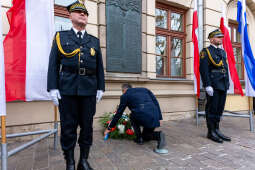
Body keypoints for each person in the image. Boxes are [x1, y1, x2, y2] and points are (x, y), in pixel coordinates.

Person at [47, 1, 105, 170]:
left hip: (89, 89)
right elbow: (53, 64)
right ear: (70, 16)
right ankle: (70, 162)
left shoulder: (93, 41)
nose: (83, 15)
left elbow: (99, 66)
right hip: (67, 89)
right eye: (79, 12)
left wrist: (100, 87)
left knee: (87, 127)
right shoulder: (61, 37)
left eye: (85, 13)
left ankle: (84, 161)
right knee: (68, 128)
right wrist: (53, 87)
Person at [104, 83, 166, 150]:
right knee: (146, 136)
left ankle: (142, 138)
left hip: (143, 116)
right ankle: (147, 137)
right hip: (154, 115)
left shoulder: (125, 95)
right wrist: (159, 117)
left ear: (123, 90)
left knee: (132, 116)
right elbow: (156, 102)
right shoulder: (145, 90)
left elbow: (119, 113)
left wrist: (109, 128)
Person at [199, 29, 231, 143]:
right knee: (212, 109)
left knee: (219, 109)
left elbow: (225, 69)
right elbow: (203, 70)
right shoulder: (206, 51)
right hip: (213, 85)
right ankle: (211, 131)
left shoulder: (223, 52)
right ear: (211, 39)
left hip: (223, 84)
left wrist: (227, 83)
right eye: (218, 37)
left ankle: (217, 130)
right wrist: (207, 85)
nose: (220, 39)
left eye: (221, 37)